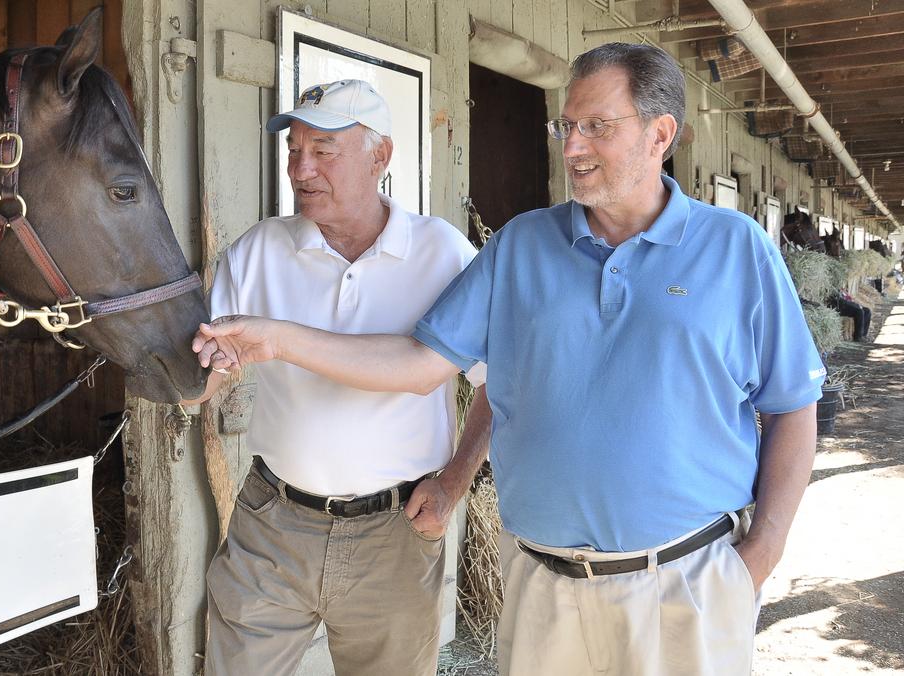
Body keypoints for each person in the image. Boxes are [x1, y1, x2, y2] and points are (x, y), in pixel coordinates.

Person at [195, 43, 823, 676]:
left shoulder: (736, 250)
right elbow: (420, 363)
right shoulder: (523, 244)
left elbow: (793, 406)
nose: (572, 147)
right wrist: (275, 338)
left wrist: (758, 558)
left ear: (661, 134)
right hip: (542, 584)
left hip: (685, 581)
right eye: (566, 126)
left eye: (596, 127)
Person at [186, 78, 490, 676]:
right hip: (271, 522)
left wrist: (454, 484)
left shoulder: (444, 255)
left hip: (395, 530)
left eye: (324, 151)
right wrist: (190, 368)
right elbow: (199, 386)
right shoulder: (256, 252)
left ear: (381, 157)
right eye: (294, 150)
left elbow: (498, 387)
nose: (302, 168)